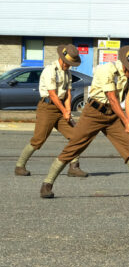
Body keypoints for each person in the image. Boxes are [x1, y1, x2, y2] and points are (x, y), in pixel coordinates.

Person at [39, 46, 129, 199]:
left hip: (113, 115)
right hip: (94, 113)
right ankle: (47, 184)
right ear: (125, 64)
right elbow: (111, 97)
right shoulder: (107, 70)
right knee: (74, 146)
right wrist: (125, 120)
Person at [14, 44, 88, 178]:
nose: (69, 65)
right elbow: (52, 94)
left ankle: (74, 167)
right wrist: (64, 111)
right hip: (47, 108)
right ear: (62, 59)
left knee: (75, 136)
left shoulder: (67, 72)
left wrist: (68, 110)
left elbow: (68, 93)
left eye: (71, 63)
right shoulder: (50, 70)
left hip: (60, 109)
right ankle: (20, 166)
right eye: (68, 63)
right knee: (38, 140)